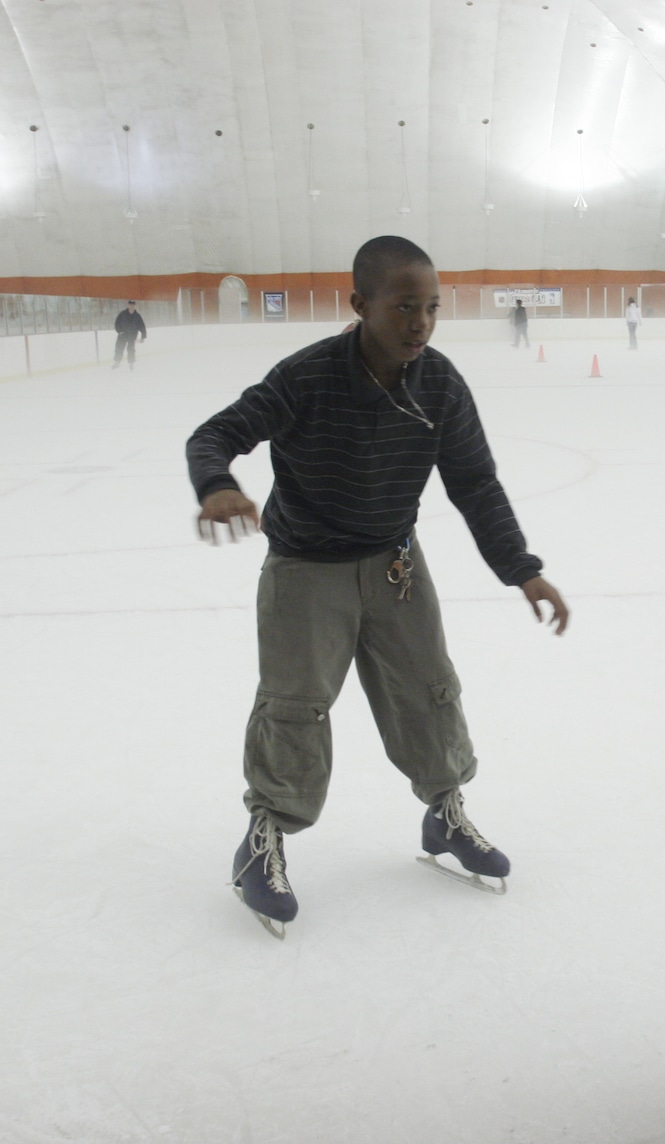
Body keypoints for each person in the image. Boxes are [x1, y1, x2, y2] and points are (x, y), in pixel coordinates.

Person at [187, 236, 569, 938]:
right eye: (403, 307)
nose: (419, 322)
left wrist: (522, 567)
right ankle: (261, 840)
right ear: (360, 304)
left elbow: (475, 483)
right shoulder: (307, 378)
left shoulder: (441, 384)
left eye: (430, 308)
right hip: (306, 569)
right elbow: (216, 433)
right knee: (294, 707)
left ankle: (443, 814)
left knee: (429, 690)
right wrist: (217, 485)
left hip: (395, 563)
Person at [111, 300, 146, 370]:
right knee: (119, 348)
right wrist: (120, 331)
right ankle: (117, 362)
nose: (131, 306)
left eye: (133, 305)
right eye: (130, 305)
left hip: (132, 336)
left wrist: (143, 336)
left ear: (134, 306)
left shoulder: (137, 316)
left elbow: (142, 326)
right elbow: (117, 323)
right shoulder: (122, 314)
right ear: (128, 305)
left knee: (131, 350)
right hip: (122, 335)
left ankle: (131, 364)